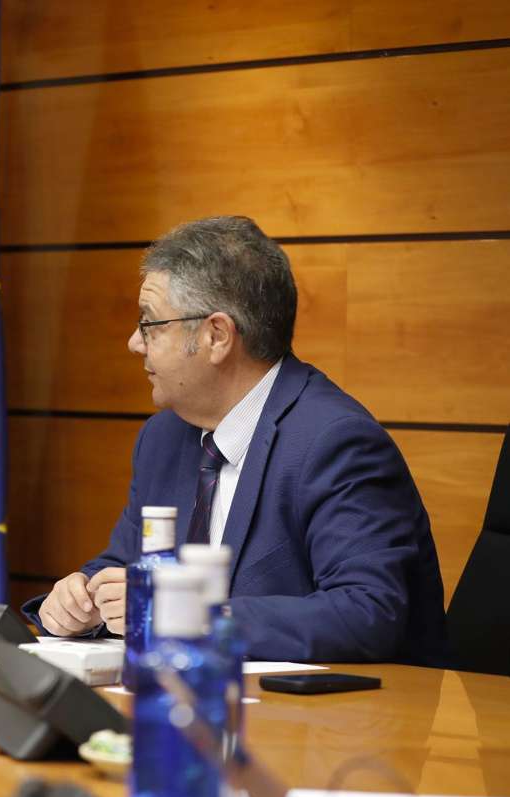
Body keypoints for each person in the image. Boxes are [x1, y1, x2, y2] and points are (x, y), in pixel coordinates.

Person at [22, 216, 448, 665]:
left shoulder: (334, 442)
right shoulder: (163, 438)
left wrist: (188, 617)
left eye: (150, 324)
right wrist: (80, 603)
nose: (134, 343)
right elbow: (125, 568)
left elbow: (368, 613)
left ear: (217, 336)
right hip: (184, 696)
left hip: (337, 706)